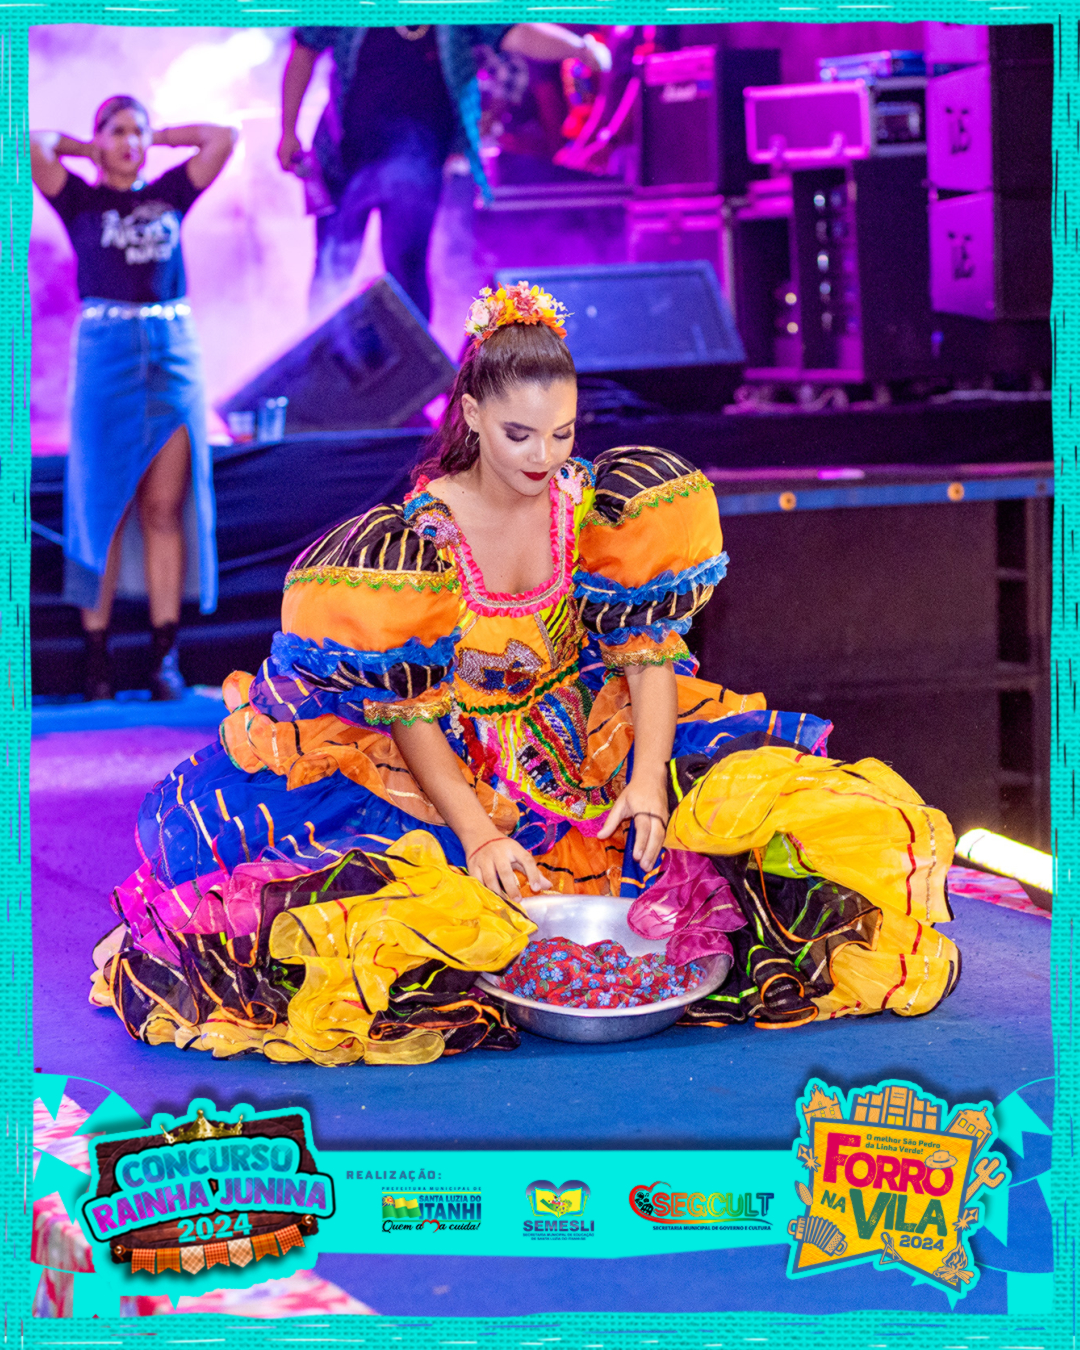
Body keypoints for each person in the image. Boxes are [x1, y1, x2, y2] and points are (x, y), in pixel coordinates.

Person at [91, 282, 961, 1067]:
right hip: (446, 766)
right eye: (520, 434)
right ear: (471, 413)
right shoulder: (417, 539)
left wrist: (649, 783)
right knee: (360, 920)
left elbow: (648, 655)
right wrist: (477, 836)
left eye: (563, 432)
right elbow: (410, 714)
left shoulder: (598, 508)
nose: (545, 456)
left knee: (807, 832)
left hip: (592, 736)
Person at [31, 97, 237, 700]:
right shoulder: (80, 199)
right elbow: (28, 143)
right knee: (101, 506)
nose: (129, 142)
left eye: (137, 132)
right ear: (98, 138)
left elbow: (224, 136)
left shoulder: (171, 192)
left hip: (173, 351)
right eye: (117, 131)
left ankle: (164, 661)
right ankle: (96, 665)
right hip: (106, 352)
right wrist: (85, 150)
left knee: (163, 508)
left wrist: (161, 136)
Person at [277, 25, 611, 319]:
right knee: (332, 269)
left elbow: (516, 32)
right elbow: (305, 50)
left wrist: (580, 49)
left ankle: (416, 368)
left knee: (407, 269)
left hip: (420, 166)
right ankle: (321, 364)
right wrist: (288, 130)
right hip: (344, 160)